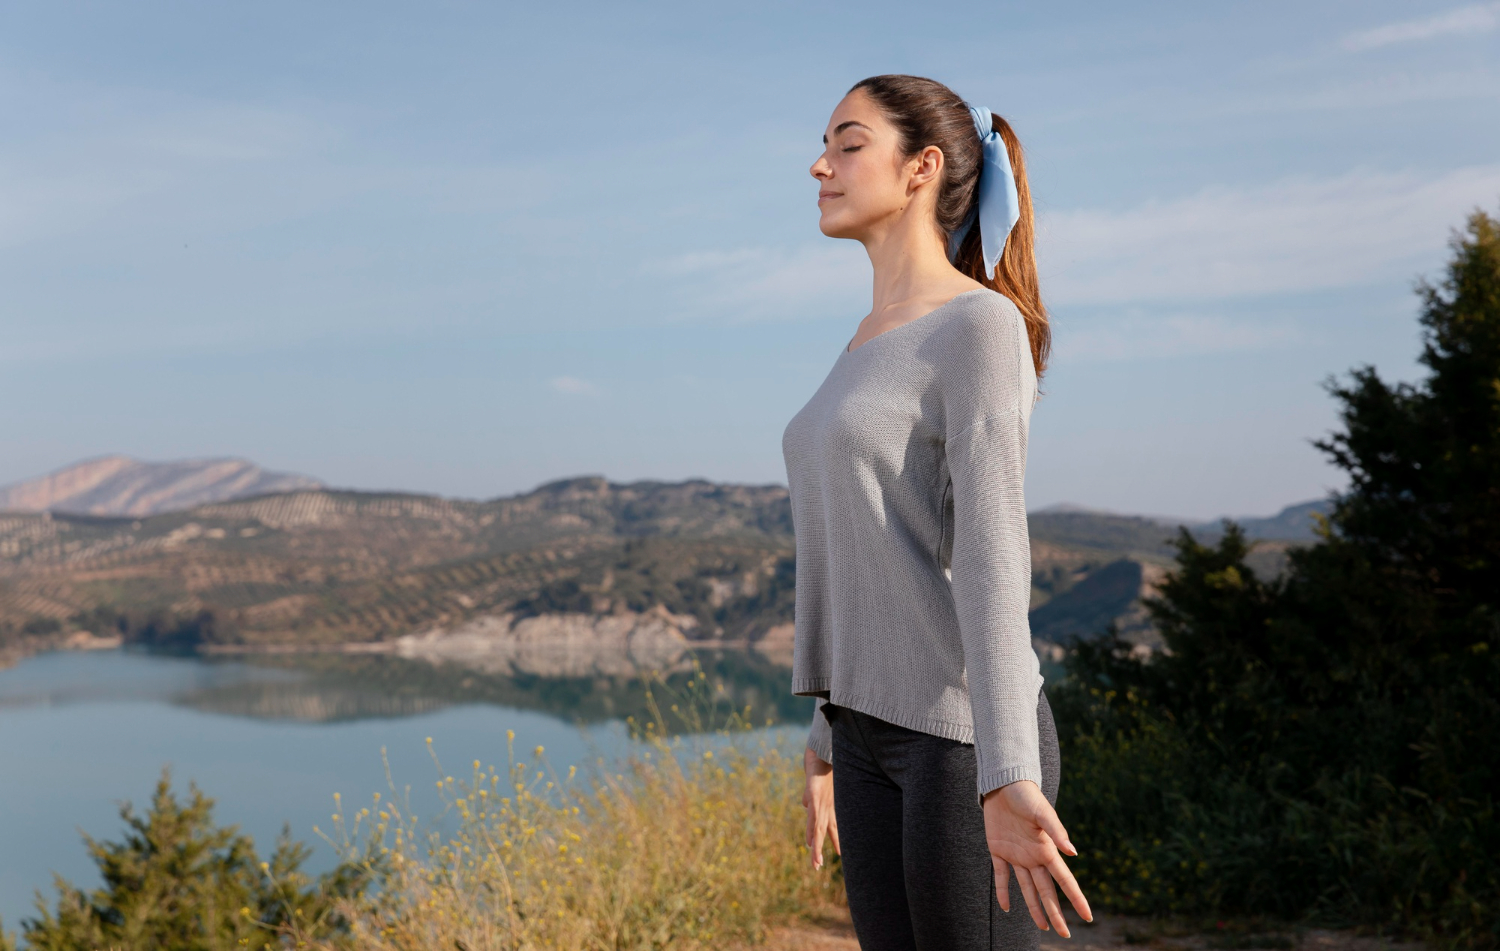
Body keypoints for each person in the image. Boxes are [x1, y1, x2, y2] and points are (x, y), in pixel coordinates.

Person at [781, 74, 1093, 950]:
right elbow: (860, 554)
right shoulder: (862, 341)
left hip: (959, 742)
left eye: (847, 143)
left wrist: (1007, 774)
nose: (820, 165)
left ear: (921, 167)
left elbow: (992, 558)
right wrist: (824, 732)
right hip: (866, 734)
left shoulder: (977, 325)